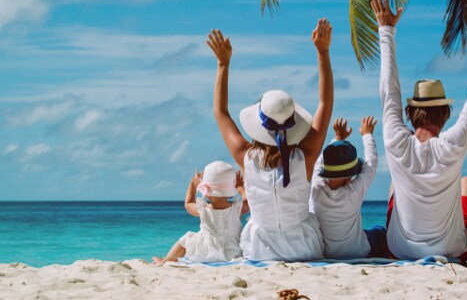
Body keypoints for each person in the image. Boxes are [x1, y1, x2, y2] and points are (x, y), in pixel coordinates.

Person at [372, 0, 467, 263]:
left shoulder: (395, 140)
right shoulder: (453, 144)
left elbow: (388, 91)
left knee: (395, 183)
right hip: (452, 251)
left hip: (399, 250)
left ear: (409, 114)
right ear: (446, 114)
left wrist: (386, 30)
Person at [206, 19, 334, 261]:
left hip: (259, 250)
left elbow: (220, 112)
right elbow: (325, 104)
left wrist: (223, 64)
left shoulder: (247, 157)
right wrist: (323, 52)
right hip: (304, 248)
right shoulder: (305, 158)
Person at [310, 116, 387, 258]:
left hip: (328, 253)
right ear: (350, 176)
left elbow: (319, 163)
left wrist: (338, 139)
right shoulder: (353, 192)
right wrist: (367, 134)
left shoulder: (316, 190)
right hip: (358, 252)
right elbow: (371, 163)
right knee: (380, 231)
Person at [152, 161, 249, 264]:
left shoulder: (203, 209)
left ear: (206, 192)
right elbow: (248, 202)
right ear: (230, 192)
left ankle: (166, 260)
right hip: (233, 251)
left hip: (207, 251)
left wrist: (193, 186)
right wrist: (240, 188)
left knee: (187, 238)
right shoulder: (237, 208)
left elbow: (188, 204)